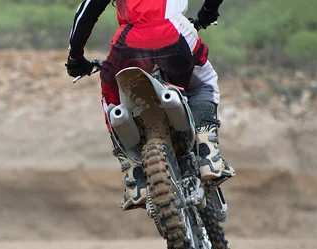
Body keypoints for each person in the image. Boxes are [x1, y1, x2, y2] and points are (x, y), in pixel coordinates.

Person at [66, 0, 235, 211]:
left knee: (112, 96)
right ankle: (208, 150)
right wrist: (208, 12)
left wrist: (75, 57)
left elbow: (87, 11)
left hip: (129, 44)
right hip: (175, 32)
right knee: (204, 79)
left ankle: (133, 170)